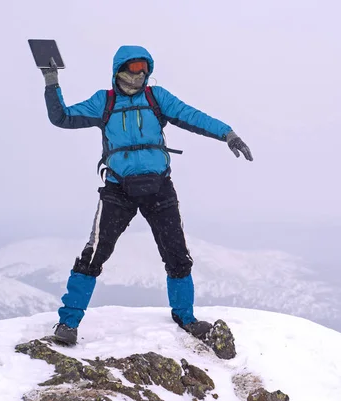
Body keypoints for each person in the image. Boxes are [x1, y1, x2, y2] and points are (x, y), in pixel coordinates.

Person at [41, 45, 252, 345]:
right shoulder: (105, 101)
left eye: (145, 67)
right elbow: (62, 117)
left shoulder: (156, 98)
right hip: (118, 190)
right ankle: (68, 322)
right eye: (135, 67)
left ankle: (185, 317)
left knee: (177, 254)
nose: (140, 74)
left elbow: (191, 115)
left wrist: (227, 133)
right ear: (119, 70)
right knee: (94, 255)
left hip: (158, 188)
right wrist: (51, 81)